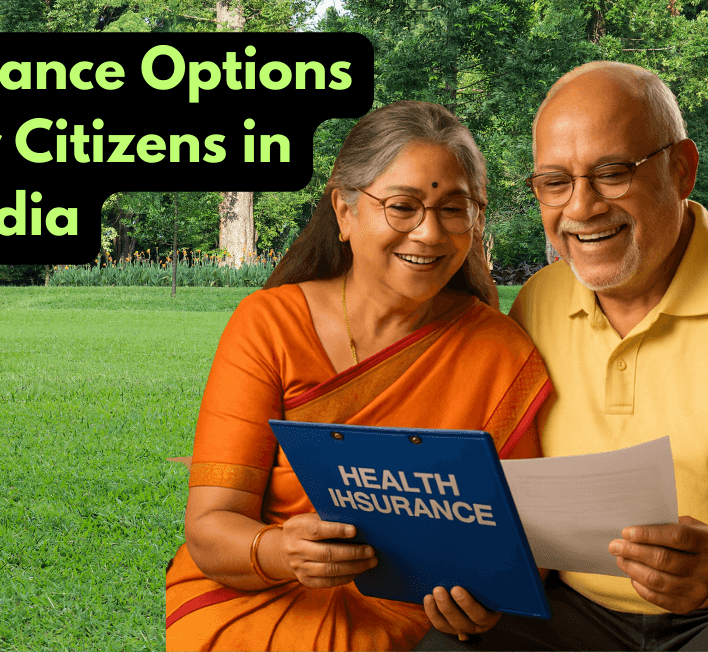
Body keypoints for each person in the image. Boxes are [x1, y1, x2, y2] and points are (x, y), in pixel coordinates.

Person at [416, 61, 708, 651]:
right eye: (555, 182)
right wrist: (477, 584)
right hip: (578, 611)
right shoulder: (541, 299)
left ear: (682, 169)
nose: (582, 208)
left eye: (612, 173)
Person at [164, 100, 554, 651]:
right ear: (345, 212)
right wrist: (282, 551)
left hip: (409, 618)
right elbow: (211, 527)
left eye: (453, 209)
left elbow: (519, 550)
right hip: (257, 596)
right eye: (403, 206)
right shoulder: (268, 324)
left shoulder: (499, 351)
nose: (429, 233)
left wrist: (482, 605)